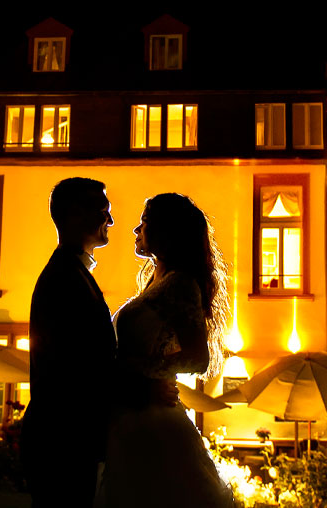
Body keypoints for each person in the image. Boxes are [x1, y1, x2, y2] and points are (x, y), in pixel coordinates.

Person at [95, 193, 235, 508]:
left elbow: (198, 359)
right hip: (133, 413)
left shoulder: (180, 284)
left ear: (165, 230)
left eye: (144, 222)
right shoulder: (155, 280)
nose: (136, 230)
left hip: (152, 421)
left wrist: (135, 369)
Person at [21, 178, 117, 508]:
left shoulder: (71, 272)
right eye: (104, 210)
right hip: (64, 442)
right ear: (77, 215)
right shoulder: (65, 278)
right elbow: (76, 366)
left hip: (64, 440)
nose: (111, 220)